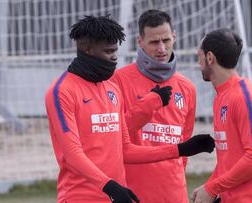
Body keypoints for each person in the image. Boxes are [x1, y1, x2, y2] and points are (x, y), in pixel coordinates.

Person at [45, 15, 215, 203]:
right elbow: (73, 154)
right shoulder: (62, 91)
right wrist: (109, 185)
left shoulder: (111, 89)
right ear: (87, 49)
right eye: (108, 51)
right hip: (82, 197)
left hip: (116, 197)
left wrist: (181, 149)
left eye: (115, 51)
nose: (114, 57)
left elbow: (126, 150)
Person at [110, 10, 197, 203]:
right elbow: (113, 136)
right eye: (153, 42)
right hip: (134, 193)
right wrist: (148, 105)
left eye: (166, 40)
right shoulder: (118, 81)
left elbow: (185, 143)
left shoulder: (187, 87)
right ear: (140, 42)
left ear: (174, 36)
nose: (161, 48)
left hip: (174, 194)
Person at [191, 28, 252, 203]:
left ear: (209, 58)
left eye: (198, 56)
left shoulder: (245, 98)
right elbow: (229, 159)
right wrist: (210, 187)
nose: (198, 63)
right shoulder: (222, 96)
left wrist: (212, 188)